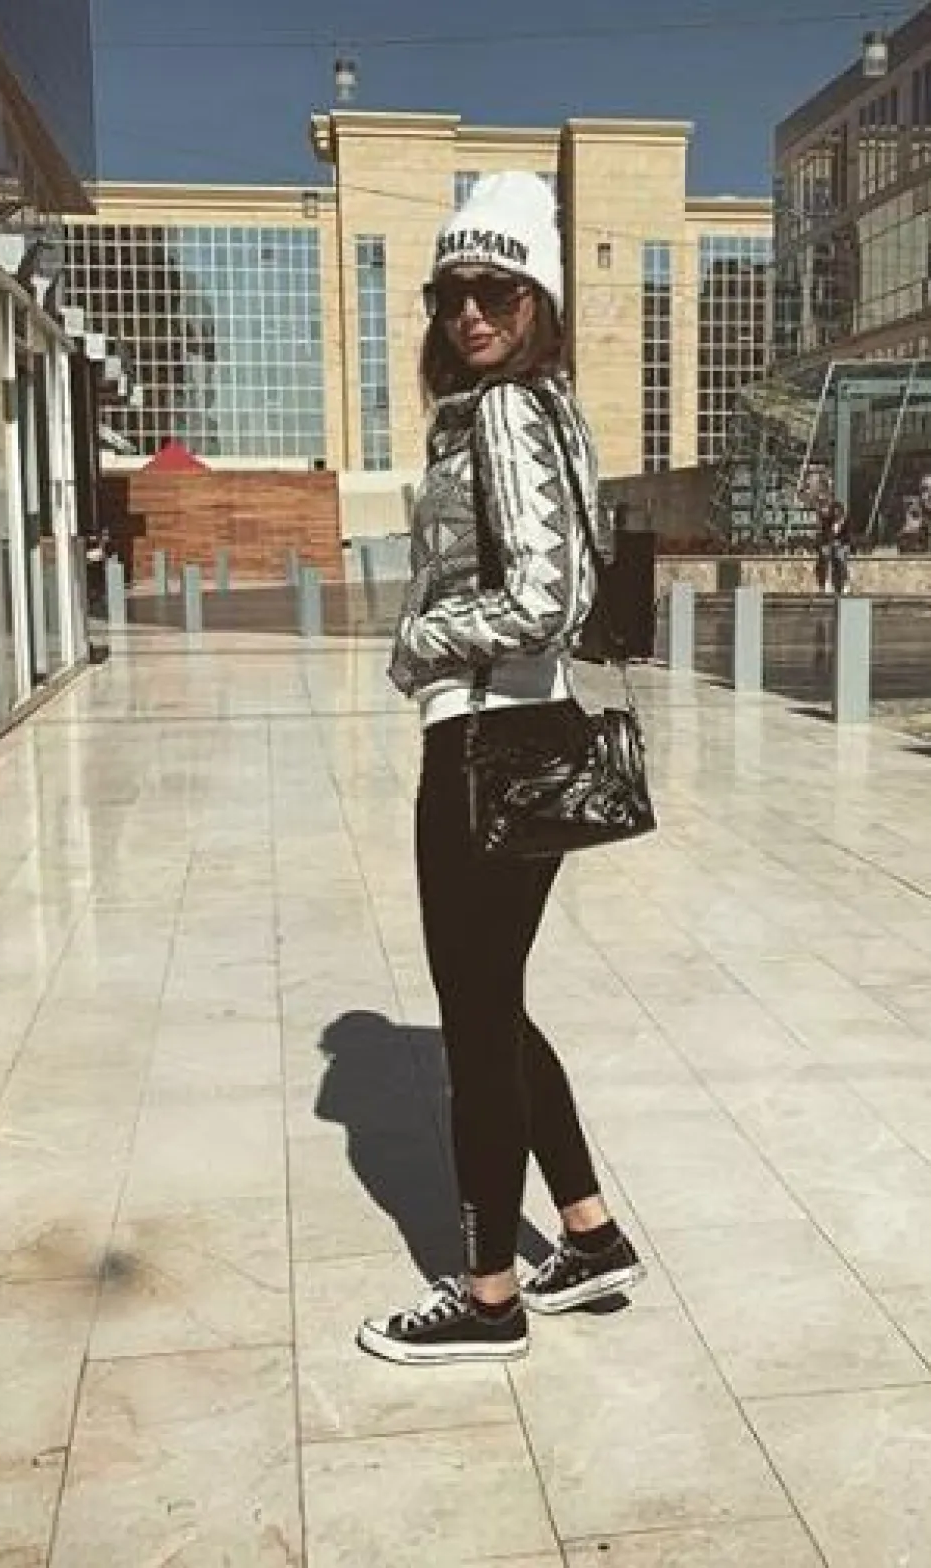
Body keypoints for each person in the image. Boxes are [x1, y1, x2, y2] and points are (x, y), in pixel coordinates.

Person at [360, 172, 645, 1367]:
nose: (471, 311)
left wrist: (423, 638)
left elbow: (549, 596)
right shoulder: (541, 407)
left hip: (484, 741)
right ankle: (588, 1231)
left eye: (498, 290)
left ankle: (487, 1297)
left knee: (474, 1023)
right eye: (452, 292)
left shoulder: (509, 411)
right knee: (492, 999)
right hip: (521, 735)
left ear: (540, 300)